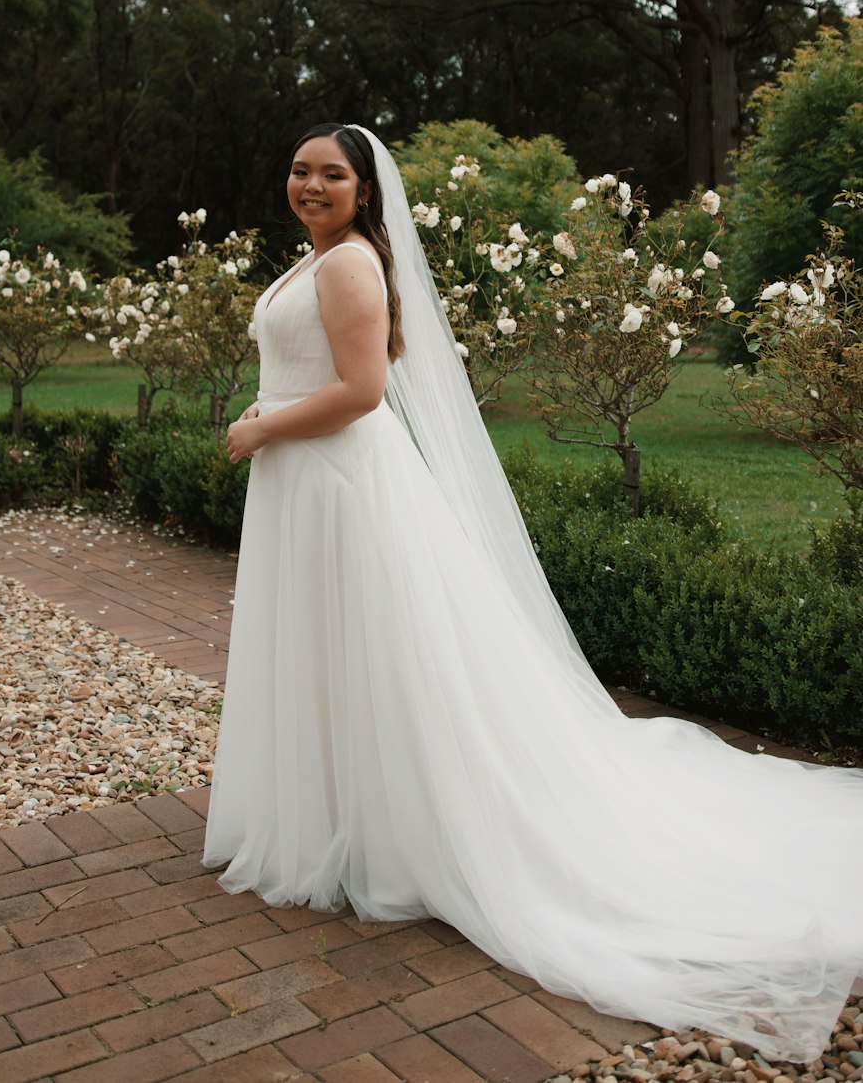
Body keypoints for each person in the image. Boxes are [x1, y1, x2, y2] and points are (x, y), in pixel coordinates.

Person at [204, 123, 863, 1062]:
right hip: (306, 480)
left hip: (338, 480)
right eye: (302, 169)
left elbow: (360, 392)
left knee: (373, 648)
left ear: (363, 190)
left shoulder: (349, 265)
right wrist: (268, 423)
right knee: (329, 646)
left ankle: (394, 830)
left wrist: (260, 429)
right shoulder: (314, 260)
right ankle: (339, 813)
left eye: (332, 174)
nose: (311, 184)